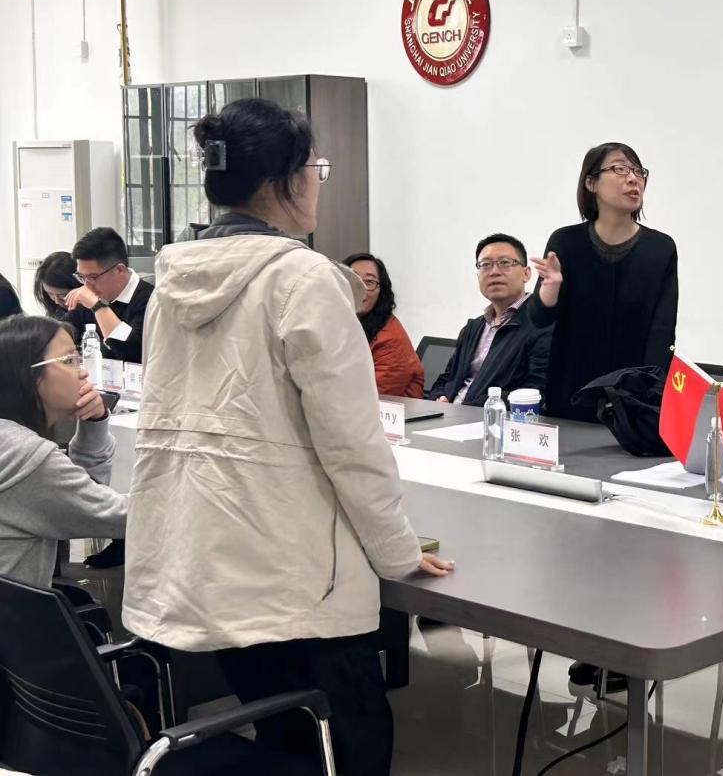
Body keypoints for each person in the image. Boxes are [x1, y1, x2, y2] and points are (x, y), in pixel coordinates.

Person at [121, 98, 453, 776]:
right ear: (287, 180)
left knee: (281, 732)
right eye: (316, 169)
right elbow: (352, 446)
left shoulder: (170, 285)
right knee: (351, 743)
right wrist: (398, 551)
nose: (318, 183)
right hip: (296, 577)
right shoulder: (302, 279)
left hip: (211, 562)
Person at [528, 143, 678, 421]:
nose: (633, 179)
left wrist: (649, 396)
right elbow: (539, 320)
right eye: (620, 169)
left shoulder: (660, 248)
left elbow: (662, 331)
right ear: (591, 182)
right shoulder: (565, 242)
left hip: (631, 402)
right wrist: (550, 289)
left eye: (638, 172)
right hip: (569, 396)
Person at [0, 315, 126, 588]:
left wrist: (94, 424)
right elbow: (116, 516)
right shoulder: (26, 456)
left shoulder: (8, 438)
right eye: (69, 360)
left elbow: (80, 494)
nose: (83, 372)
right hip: (17, 614)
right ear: (28, 375)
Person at [427, 233, 552, 405]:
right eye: (485, 265)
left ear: (526, 274)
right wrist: (438, 399)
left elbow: (536, 392)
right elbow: (447, 378)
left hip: (493, 418)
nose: (494, 272)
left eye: (505, 263)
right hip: (450, 415)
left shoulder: (541, 324)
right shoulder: (473, 328)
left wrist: (470, 409)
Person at [64, 227, 153, 364]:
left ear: (119, 270)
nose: (87, 286)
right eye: (81, 277)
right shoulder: (89, 296)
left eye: (93, 277)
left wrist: (98, 307)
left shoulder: (151, 299)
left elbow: (134, 354)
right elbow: (63, 332)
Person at [343, 253, 425, 398]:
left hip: (388, 409)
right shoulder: (341, 324)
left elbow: (369, 397)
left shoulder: (391, 340)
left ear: (381, 292)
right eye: (353, 279)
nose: (360, 288)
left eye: (369, 282)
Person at [33, 251, 82, 338]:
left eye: (63, 295)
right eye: (50, 294)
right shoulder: (55, 310)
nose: (56, 301)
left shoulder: (96, 308)